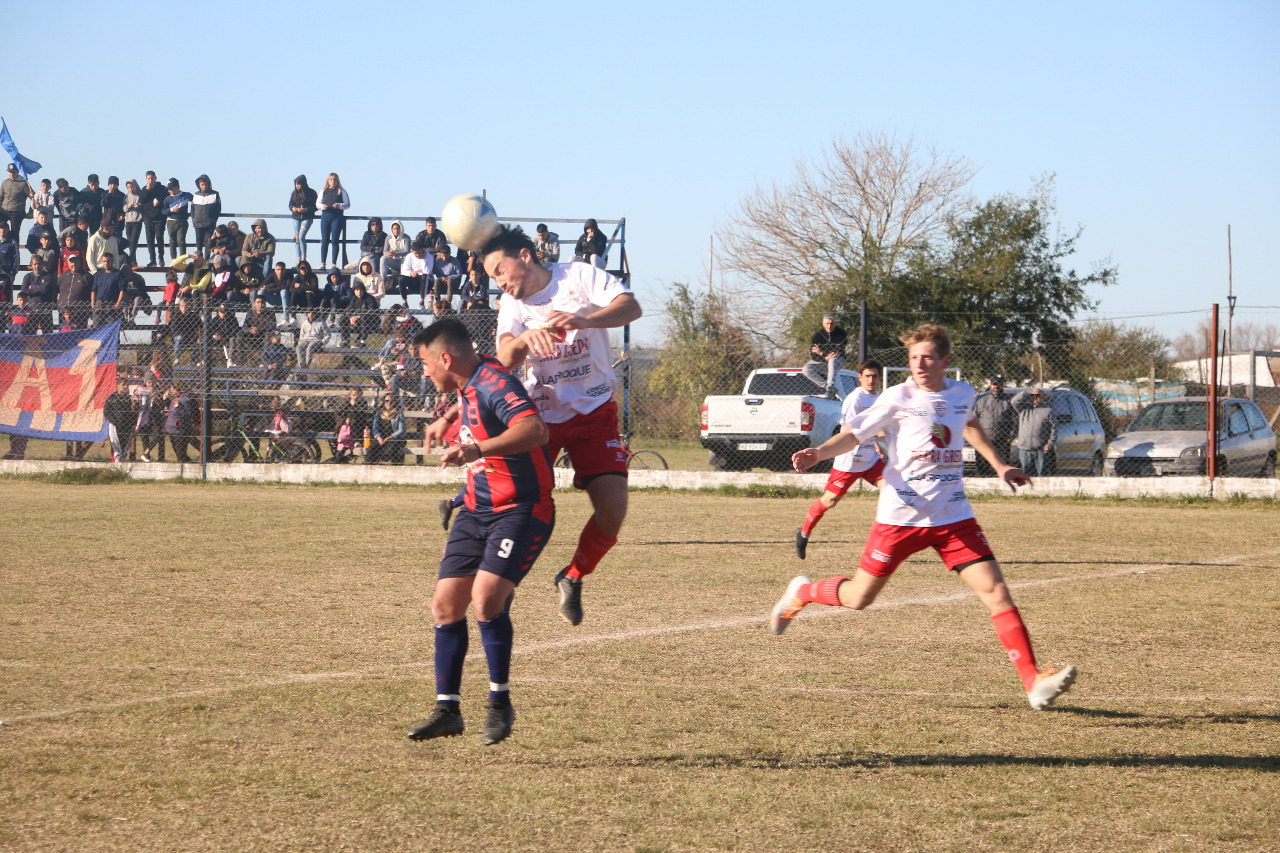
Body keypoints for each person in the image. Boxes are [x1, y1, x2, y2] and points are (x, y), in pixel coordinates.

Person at [772, 323, 1078, 711]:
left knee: (997, 593)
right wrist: (818, 453)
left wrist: (1000, 466)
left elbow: (969, 427)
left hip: (953, 516)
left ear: (945, 361)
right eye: (914, 358)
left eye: (927, 357)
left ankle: (1033, 681)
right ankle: (803, 591)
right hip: (900, 517)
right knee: (858, 598)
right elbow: (854, 435)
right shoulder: (897, 396)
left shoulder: (962, 393)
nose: (919, 364)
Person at [453, 224, 642, 627]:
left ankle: (572, 577)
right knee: (517, 506)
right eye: (492, 278)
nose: (500, 282)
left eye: (501, 271)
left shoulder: (578, 276)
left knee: (613, 511)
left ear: (525, 256)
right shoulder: (513, 305)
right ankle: (496, 582)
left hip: (594, 412)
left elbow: (631, 308)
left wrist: (585, 319)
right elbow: (503, 358)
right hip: (539, 417)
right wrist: (526, 340)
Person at [407, 318, 555, 745]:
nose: (423, 371)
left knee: (486, 598)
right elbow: (471, 393)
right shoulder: (470, 381)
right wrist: (447, 420)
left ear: (445, 358)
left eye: (424, 362)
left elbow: (534, 430)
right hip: (475, 509)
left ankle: (498, 702)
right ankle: (447, 710)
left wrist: (475, 448)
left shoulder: (494, 383)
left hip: (522, 509)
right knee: (444, 606)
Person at [794, 359, 885, 560]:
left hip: (871, 459)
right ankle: (803, 533)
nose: (871, 380)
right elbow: (847, 430)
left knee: (891, 492)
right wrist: (875, 433)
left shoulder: (879, 398)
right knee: (830, 500)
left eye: (874, 376)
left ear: (879, 378)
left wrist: (879, 441)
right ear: (860, 378)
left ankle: (879, 545)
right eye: (867, 376)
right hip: (850, 459)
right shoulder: (855, 399)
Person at [972, 375, 1016, 476]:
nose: (996, 387)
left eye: (999, 384)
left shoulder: (1008, 402)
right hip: (984, 439)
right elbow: (973, 419)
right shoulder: (981, 401)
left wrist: (1011, 436)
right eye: (994, 384)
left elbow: (1016, 420)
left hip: (1002, 439)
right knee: (982, 466)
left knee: (1002, 466)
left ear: (1002, 386)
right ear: (990, 385)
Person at [1011, 387, 1056, 476]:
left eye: (1038, 395)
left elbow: (1054, 429)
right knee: (1026, 475)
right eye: (1033, 396)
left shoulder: (1047, 411)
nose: (1035, 398)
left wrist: (1050, 444)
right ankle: (1027, 490)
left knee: (1043, 475)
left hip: (1041, 449)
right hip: (1025, 449)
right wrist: (1028, 392)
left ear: (1042, 397)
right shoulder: (1023, 409)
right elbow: (1014, 401)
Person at [803, 313, 848, 398]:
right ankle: (829, 388)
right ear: (823, 324)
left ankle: (830, 386)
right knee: (806, 369)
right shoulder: (817, 336)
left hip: (838, 361)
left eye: (831, 323)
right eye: (827, 323)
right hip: (822, 361)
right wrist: (825, 357)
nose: (829, 326)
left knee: (832, 360)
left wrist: (821, 353)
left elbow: (837, 353)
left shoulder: (841, 334)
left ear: (835, 323)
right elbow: (813, 355)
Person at [317, 172, 349, 267]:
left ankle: (333, 263)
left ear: (337, 181)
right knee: (325, 240)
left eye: (335, 180)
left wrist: (339, 205)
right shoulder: (323, 191)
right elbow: (317, 203)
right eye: (331, 179)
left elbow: (347, 204)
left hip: (337, 217)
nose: (333, 181)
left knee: (335, 240)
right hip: (326, 217)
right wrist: (323, 206)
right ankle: (323, 262)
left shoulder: (342, 191)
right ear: (328, 181)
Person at [163, 382, 198, 463]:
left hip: (180, 429)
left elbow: (188, 414)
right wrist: (165, 400)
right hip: (173, 429)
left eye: (171, 389)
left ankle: (184, 472)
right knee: (180, 455)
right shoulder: (177, 397)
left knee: (181, 456)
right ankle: (186, 466)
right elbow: (173, 410)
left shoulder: (185, 399)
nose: (170, 391)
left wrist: (178, 407)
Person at [139, 171, 168, 266]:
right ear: (146, 179)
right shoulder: (144, 189)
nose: (150, 180)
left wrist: (160, 202)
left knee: (159, 237)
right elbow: (141, 201)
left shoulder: (162, 189)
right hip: (148, 218)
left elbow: (167, 201)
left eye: (152, 178)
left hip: (160, 217)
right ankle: (153, 260)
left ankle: (161, 258)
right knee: (149, 239)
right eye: (148, 179)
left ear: (155, 178)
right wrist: (147, 189)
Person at [368, 392, 406, 464]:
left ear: (394, 402)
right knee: (372, 448)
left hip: (394, 437)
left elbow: (401, 430)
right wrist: (378, 437)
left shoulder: (399, 413)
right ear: (384, 402)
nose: (389, 403)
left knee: (389, 451)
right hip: (381, 437)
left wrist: (390, 437)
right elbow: (375, 428)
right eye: (386, 401)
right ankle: (369, 468)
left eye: (391, 401)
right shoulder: (379, 413)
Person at [90, 251, 127, 326]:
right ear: (102, 262)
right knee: (97, 329)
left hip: (112, 305)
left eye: (108, 261)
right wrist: (93, 304)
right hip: (99, 305)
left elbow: (123, 290)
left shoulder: (118, 274)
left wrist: (117, 304)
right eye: (104, 261)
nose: (106, 263)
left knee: (112, 329)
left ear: (112, 261)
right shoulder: (99, 274)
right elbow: (94, 290)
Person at [57, 253, 93, 328]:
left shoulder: (87, 276)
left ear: (79, 262)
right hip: (63, 313)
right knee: (63, 336)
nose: (74, 264)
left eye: (76, 261)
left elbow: (93, 292)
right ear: (68, 263)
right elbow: (55, 291)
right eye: (71, 262)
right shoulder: (62, 276)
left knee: (79, 337)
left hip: (80, 314)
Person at [104, 378, 136, 463]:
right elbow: (107, 412)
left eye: (127, 385)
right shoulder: (112, 398)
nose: (125, 386)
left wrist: (134, 409)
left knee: (125, 442)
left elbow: (133, 413)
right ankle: (117, 458)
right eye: (123, 385)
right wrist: (115, 421)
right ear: (117, 386)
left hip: (127, 425)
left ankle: (123, 458)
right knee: (116, 441)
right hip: (115, 424)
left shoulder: (129, 398)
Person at [238, 296, 277, 365]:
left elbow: (272, 327)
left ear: (265, 304)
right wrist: (250, 330)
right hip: (251, 338)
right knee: (239, 334)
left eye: (262, 302)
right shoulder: (250, 313)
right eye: (258, 302)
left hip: (263, 338)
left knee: (268, 334)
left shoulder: (270, 314)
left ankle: (265, 362)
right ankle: (240, 361)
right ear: (254, 304)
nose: (260, 304)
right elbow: (244, 327)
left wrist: (258, 329)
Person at [343, 279, 380, 346]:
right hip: (357, 322)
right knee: (343, 319)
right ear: (354, 291)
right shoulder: (353, 299)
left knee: (364, 318)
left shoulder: (369, 298)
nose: (359, 292)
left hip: (371, 322)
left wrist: (357, 316)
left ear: (363, 290)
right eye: (357, 290)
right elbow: (348, 311)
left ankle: (363, 341)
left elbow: (371, 312)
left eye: (360, 289)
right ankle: (345, 341)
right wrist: (351, 318)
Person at [289, 175, 318, 261]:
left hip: (307, 217)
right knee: (297, 238)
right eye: (296, 184)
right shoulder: (294, 193)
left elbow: (316, 207)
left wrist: (305, 210)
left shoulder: (312, 193)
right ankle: (298, 259)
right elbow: (290, 204)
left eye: (299, 184)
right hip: (296, 217)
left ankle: (304, 258)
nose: (297, 186)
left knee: (301, 236)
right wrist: (293, 208)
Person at [191, 174, 222, 255]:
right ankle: (199, 260)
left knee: (208, 242)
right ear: (199, 185)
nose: (204, 186)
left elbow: (218, 209)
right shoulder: (196, 194)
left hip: (209, 224)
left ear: (209, 184)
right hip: (197, 223)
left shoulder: (215, 194)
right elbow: (192, 209)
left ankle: (207, 262)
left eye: (205, 184)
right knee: (198, 243)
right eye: (202, 185)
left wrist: (213, 220)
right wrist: (193, 220)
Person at [1, 163, 31, 239]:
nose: (11, 174)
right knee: (2, 227)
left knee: (15, 232)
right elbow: (0, 197)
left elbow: (33, 197)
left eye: (13, 172)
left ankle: (15, 249)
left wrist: (31, 211)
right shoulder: (5, 183)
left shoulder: (23, 183)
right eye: (10, 172)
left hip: (17, 211)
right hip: (4, 210)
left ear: (17, 172)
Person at [165, 179, 192, 259]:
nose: (170, 190)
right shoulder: (167, 199)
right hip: (171, 221)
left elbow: (195, 202)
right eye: (169, 189)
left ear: (177, 187)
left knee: (181, 241)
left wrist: (192, 212)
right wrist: (172, 210)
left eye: (172, 188)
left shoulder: (186, 195)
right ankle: (173, 259)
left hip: (183, 221)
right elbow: (163, 210)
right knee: (172, 241)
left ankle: (182, 259)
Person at [382, 219, 411, 297]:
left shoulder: (406, 237)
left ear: (401, 229)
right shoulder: (388, 238)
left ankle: (401, 281)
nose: (396, 230)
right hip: (393, 261)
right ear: (392, 229)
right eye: (394, 229)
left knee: (404, 258)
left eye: (398, 228)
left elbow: (407, 251)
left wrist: (396, 254)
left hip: (403, 262)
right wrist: (388, 254)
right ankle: (383, 280)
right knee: (383, 258)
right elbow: (385, 251)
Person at [122, 180, 144, 262]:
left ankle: (131, 259)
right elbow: (124, 209)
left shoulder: (140, 196)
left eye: (132, 187)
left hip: (137, 221)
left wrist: (139, 205)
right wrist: (128, 206)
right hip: (128, 221)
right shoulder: (126, 196)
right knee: (129, 241)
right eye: (128, 187)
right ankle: (133, 259)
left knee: (134, 240)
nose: (130, 189)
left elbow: (144, 206)